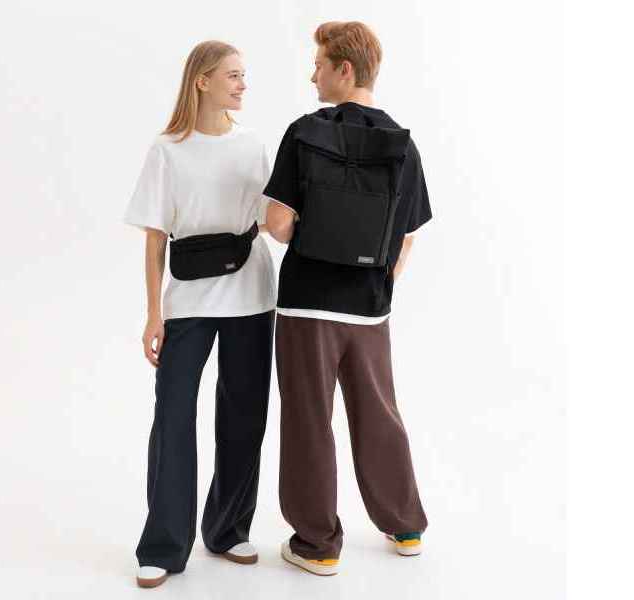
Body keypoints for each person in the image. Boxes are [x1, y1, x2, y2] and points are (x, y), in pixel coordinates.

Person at [264, 21, 432, 576]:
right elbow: (407, 235)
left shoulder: (304, 132)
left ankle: (317, 545)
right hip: (368, 308)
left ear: (344, 69)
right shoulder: (402, 145)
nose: (312, 75)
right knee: (379, 413)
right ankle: (405, 527)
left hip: (306, 304)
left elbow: (279, 225)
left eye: (318, 64)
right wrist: (379, 283)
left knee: (309, 419)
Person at [123, 40, 277, 588]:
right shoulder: (167, 149)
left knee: (244, 415)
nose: (242, 84)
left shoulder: (252, 145)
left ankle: (228, 529)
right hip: (188, 300)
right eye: (232, 75)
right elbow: (154, 237)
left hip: (252, 295)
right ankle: (164, 545)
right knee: (172, 416)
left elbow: (273, 221)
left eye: (244, 74)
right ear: (202, 81)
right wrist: (153, 314)